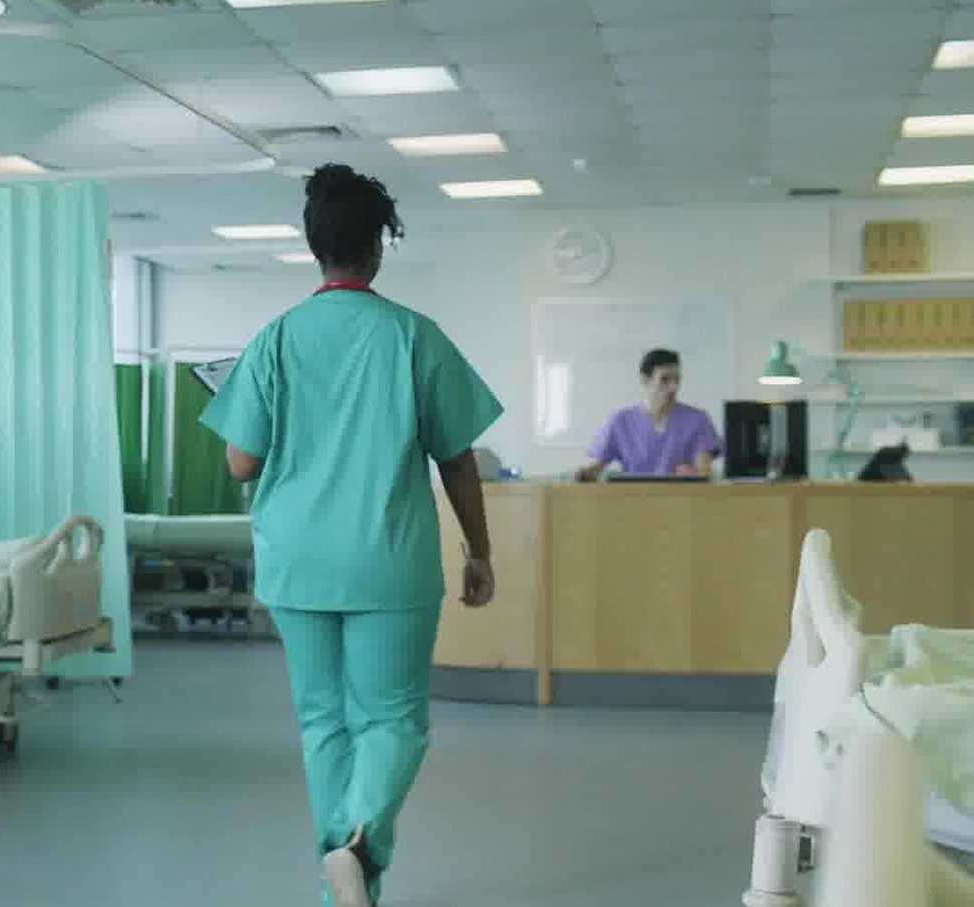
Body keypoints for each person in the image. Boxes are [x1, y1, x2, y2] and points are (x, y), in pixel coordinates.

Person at [198, 163, 501, 907]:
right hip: (386, 559)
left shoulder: (272, 340)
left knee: (322, 721)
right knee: (393, 719)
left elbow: (241, 462)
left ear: (315, 246)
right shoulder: (411, 337)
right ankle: (358, 845)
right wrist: (478, 551)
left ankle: (342, 880)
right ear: (376, 247)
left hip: (297, 561)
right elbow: (456, 455)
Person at [574, 348, 721, 481]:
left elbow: (704, 472)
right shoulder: (621, 420)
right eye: (665, 380)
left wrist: (694, 474)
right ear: (645, 379)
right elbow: (594, 465)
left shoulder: (697, 420)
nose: (673, 387)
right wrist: (587, 471)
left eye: (677, 380)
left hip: (683, 503)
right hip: (634, 501)